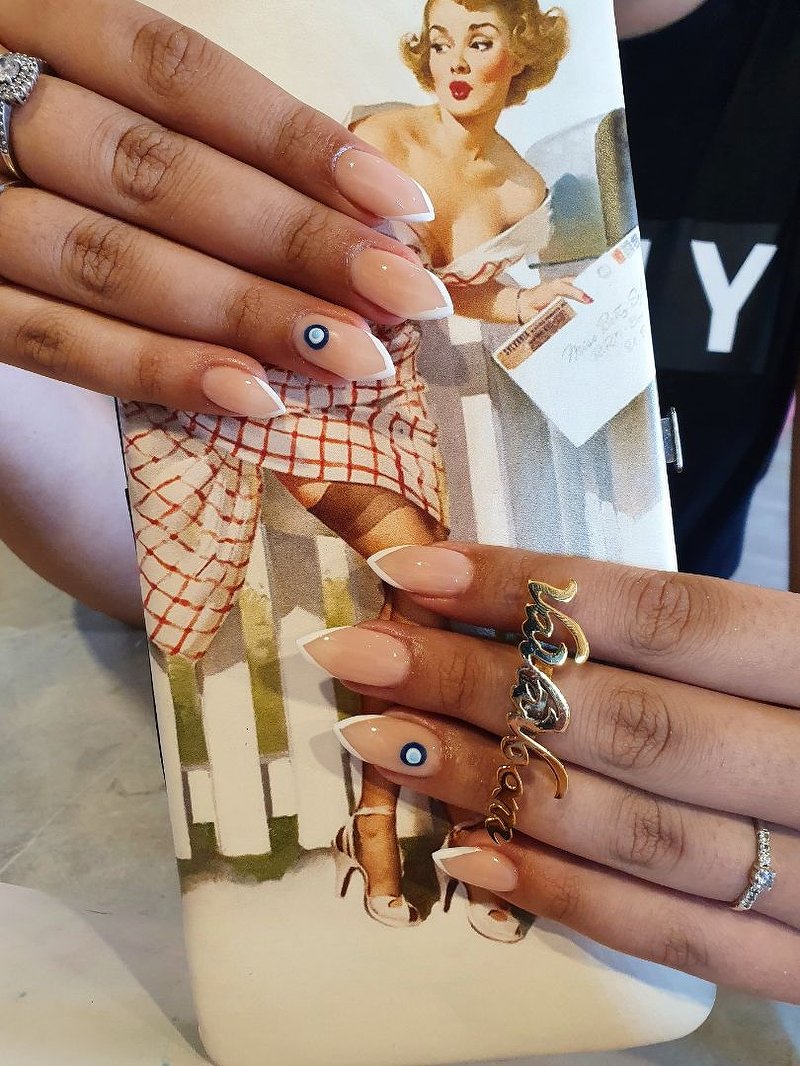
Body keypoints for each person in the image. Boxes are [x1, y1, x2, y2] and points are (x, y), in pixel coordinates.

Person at [0, 0, 797, 1001]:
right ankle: (431, 829)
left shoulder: (524, 179)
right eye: (445, 40)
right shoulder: (364, 118)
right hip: (303, 393)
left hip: (440, 441)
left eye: (483, 42)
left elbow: (447, 293)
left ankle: (412, 825)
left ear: (522, 57)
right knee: (425, 580)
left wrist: (528, 300)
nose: (460, 61)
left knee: (452, 607)